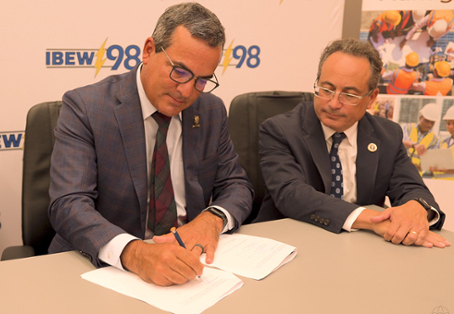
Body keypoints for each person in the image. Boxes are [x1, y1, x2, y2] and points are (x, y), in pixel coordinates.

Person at [47, 2, 253, 286]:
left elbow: (237, 185)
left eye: (201, 80)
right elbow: (68, 204)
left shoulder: (211, 110)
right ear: (148, 50)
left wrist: (213, 219)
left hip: (190, 271)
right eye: (179, 71)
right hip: (104, 269)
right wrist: (135, 254)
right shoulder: (86, 107)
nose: (186, 91)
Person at [256, 38, 448, 249]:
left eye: (348, 95)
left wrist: (417, 208)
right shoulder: (280, 130)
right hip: (289, 243)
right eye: (326, 89)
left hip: (360, 247)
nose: (333, 103)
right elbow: (292, 195)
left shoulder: (388, 135)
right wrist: (373, 221)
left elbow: (411, 187)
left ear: (372, 98)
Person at [401, 103, 441, 168]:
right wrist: (415, 145)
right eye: (426, 121)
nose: (429, 125)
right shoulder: (407, 127)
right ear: (420, 118)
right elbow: (400, 143)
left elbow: (431, 161)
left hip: (417, 174)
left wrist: (419, 166)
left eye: (432, 122)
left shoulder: (435, 139)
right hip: (400, 169)